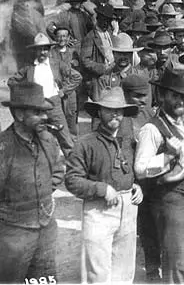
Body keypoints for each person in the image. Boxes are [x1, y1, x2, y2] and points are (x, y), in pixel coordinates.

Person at [134, 63, 184, 284]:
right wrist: (167, 157)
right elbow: (140, 168)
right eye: (175, 96)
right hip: (170, 198)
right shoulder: (152, 129)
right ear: (162, 95)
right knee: (175, 260)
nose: (181, 101)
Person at [65, 88, 144, 283]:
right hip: (99, 211)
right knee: (97, 272)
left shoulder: (129, 142)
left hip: (128, 209)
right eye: (109, 109)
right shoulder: (85, 143)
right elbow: (72, 180)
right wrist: (101, 189)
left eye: (119, 110)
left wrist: (137, 185)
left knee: (124, 271)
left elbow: (136, 170)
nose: (115, 114)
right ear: (99, 112)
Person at [0, 84, 65, 284]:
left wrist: (43, 195)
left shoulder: (48, 140)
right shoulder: (3, 148)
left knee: (44, 280)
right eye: (37, 112)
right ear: (19, 114)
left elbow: (58, 171)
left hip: (46, 228)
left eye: (45, 112)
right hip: (13, 234)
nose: (45, 117)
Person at [8, 32, 75, 155]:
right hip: (36, 106)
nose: (43, 52)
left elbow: (76, 77)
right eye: (39, 49)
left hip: (54, 104)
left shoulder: (56, 64)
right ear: (35, 51)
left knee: (65, 137)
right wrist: (24, 96)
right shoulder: (29, 67)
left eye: (45, 49)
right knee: (37, 136)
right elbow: (12, 81)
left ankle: (75, 167)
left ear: (49, 50)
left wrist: (64, 90)